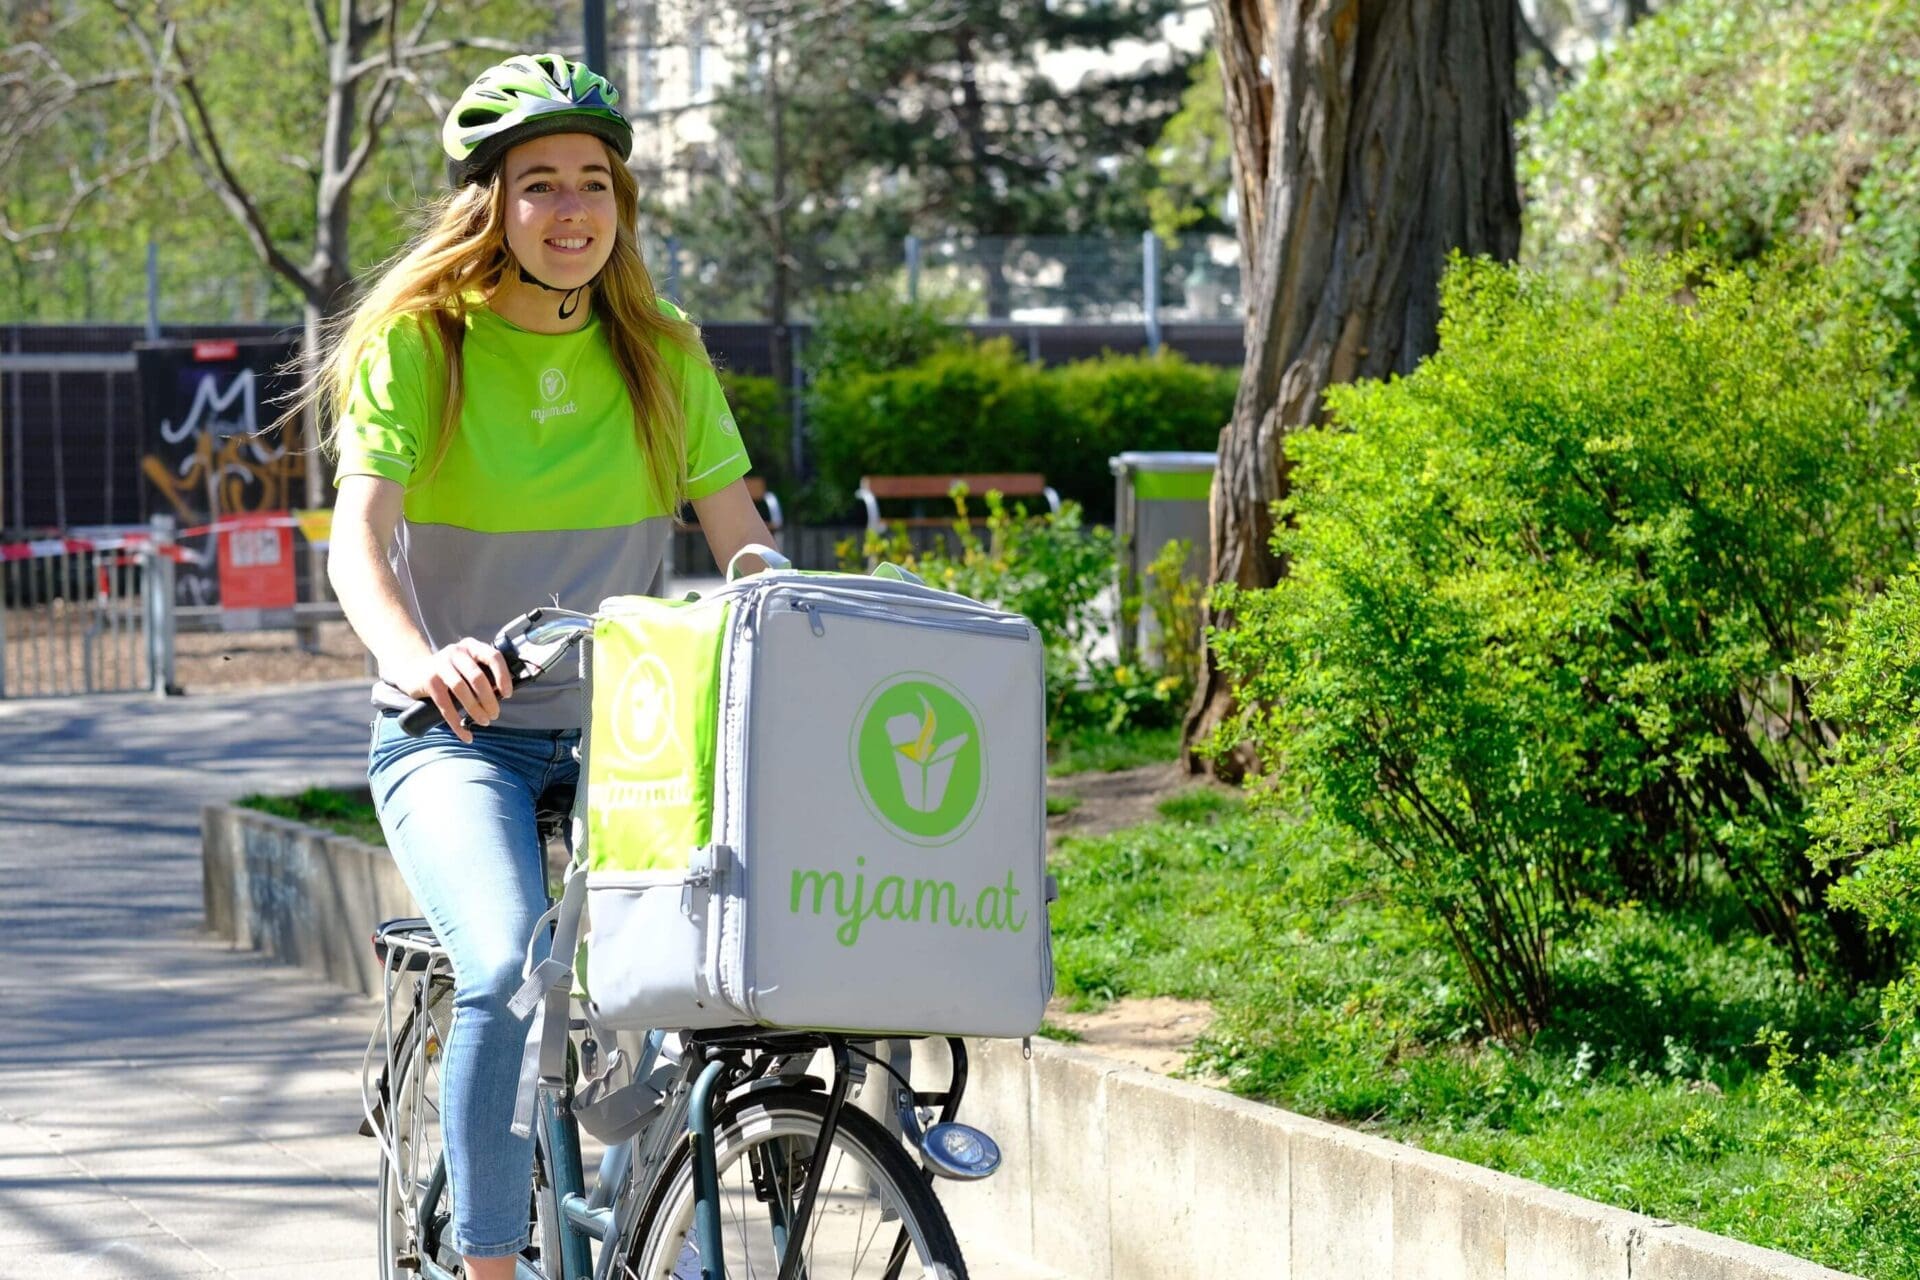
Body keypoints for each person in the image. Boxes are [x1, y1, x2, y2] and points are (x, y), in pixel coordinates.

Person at [310, 53, 775, 1278]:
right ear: (491, 207)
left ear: (619, 207)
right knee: (512, 965)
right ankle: (492, 1259)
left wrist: (790, 611)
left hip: (624, 731)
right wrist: (421, 657)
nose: (571, 212)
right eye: (539, 187)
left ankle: (664, 1208)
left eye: (593, 185)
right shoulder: (424, 345)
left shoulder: (663, 354)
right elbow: (356, 541)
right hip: (454, 729)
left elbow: (743, 546)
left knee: (726, 969)